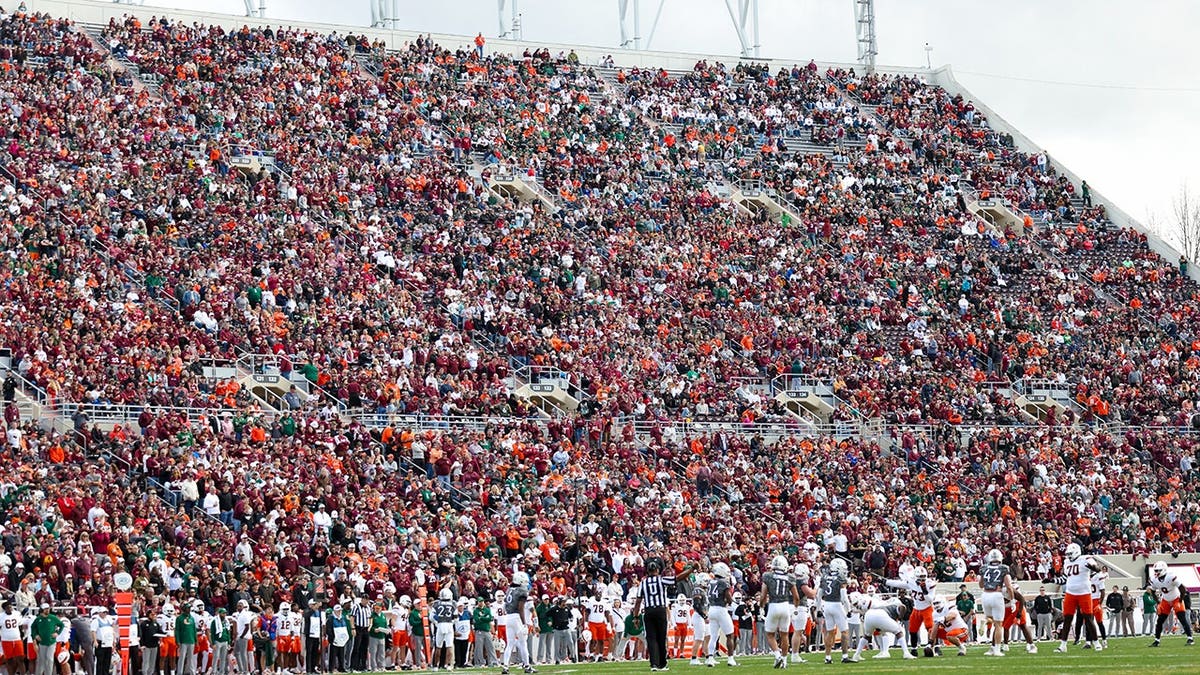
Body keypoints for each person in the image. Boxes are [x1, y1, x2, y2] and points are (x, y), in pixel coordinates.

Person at [631, 558, 689, 672]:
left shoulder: (643, 583)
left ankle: (654, 664)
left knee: (651, 638)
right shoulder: (661, 580)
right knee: (661, 638)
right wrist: (691, 570)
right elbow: (677, 579)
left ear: (647, 571)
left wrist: (636, 617)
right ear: (657, 570)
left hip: (648, 611)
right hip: (660, 610)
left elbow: (638, 601)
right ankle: (662, 664)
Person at [1055, 542, 1102, 653]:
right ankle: (1063, 645)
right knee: (1067, 619)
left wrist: (1093, 568)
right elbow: (1065, 578)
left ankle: (1096, 642)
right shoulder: (1066, 562)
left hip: (1084, 593)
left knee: (1089, 619)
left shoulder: (1085, 558)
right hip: (1070, 593)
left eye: (1070, 553)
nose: (1069, 556)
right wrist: (1053, 580)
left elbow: (1097, 568)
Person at [759, 555, 799, 669]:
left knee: (770, 634)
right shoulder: (790, 577)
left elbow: (763, 595)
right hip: (785, 606)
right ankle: (785, 661)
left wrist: (761, 607)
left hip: (773, 606)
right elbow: (796, 597)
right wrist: (795, 609)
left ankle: (777, 655)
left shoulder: (767, 576)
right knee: (784, 635)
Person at [885, 566, 936, 657]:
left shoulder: (929, 584)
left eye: (923, 578)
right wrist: (886, 582)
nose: (922, 580)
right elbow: (899, 584)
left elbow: (930, 600)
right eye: (920, 578)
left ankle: (933, 647)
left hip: (927, 608)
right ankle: (914, 649)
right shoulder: (912, 582)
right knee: (912, 630)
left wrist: (924, 591)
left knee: (931, 628)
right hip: (916, 609)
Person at [848, 594, 912, 661]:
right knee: (898, 632)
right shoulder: (895, 602)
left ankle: (857, 655)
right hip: (880, 614)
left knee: (867, 636)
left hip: (869, 615)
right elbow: (903, 607)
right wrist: (901, 618)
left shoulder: (870, 600)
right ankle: (905, 653)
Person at [977, 549, 1015, 657]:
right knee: (999, 625)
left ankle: (985, 621)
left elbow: (980, 585)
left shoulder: (984, 568)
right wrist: (1012, 601)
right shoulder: (1004, 568)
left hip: (985, 595)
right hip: (996, 595)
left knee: (991, 619)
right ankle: (997, 650)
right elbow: (1009, 587)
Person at [1148, 561, 1195, 647]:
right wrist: (1158, 603)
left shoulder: (1171, 576)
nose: (1156, 572)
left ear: (1164, 569)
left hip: (1176, 598)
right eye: (1155, 570)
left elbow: (1182, 588)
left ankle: (1190, 638)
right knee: (1160, 621)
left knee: (1182, 619)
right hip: (1165, 600)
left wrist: (1180, 600)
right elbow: (1152, 591)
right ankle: (1157, 640)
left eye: (1158, 570)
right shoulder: (1154, 579)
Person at [704, 562, 738, 667]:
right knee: (730, 635)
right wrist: (732, 603)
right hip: (721, 609)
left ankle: (710, 658)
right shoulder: (723, 582)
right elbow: (728, 596)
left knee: (713, 636)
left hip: (712, 609)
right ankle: (730, 659)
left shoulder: (711, 581)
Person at [500, 571, 534, 675]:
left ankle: (505, 666)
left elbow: (506, 604)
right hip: (516, 618)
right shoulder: (522, 590)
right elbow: (520, 608)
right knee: (523, 643)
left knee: (509, 644)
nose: (525, 584)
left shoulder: (510, 589)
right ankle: (527, 666)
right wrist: (524, 623)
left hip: (508, 617)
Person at [819, 559, 851, 665]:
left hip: (826, 605)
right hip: (837, 605)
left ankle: (827, 657)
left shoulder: (824, 577)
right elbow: (844, 597)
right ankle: (845, 656)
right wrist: (849, 609)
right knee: (844, 631)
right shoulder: (840, 578)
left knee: (829, 632)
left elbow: (819, 595)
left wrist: (818, 608)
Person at [33, 605, 64, 675]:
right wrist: (35, 635)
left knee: (49, 659)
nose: (47, 610)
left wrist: (57, 633)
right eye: (45, 609)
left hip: (51, 642)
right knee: (41, 660)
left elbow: (61, 625)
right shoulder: (38, 619)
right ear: (42, 610)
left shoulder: (53, 617)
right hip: (42, 642)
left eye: (48, 608)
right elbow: (33, 628)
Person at [431, 587, 456, 670]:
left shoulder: (436, 604)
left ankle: (435, 666)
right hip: (449, 625)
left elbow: (432, 617)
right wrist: (451, 623)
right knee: (449, 646)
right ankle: (449, 665)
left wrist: (437, 623)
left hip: (440, 625)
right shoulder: (453, 604)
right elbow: (456, 617)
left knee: (438, 646)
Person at [2, 601, 29, 675]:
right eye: (8, 607)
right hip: (6, 640)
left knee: (21, 659)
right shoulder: (1, 616)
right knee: (9, 660)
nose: (10, 608)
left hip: (17, 639)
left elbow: (20, 624)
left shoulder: (16, 614)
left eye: (11, 607)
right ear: (5, 609)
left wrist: (22, 634)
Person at [472, 596, 498, 668]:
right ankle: (479, 662)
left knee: (490, 646)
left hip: (487, 629)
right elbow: (477, 619)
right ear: (478, 602)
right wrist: (485, 618)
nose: (481, 603)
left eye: (482, 601)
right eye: (480, 601)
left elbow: (490, 618)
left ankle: (493, 662)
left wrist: (482, 618)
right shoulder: (475, 611)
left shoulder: (487, 609)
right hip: (479, 630)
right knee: (479, 647)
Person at [174, 603, 197, 675]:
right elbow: (177, 630)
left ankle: (191, 672)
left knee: (191, 658)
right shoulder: (179, 618)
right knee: (182, 658)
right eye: (188, 608)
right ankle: (179, 672)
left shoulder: (192, 618)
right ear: (184, 609)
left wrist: (196, 640)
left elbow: (194, 630)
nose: (189, 610)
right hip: (183, 641)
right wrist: (177, 640)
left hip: (191, 640)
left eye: (190, 608)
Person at [302, 601, 325, 674]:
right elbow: (306, 616)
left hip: (316, 634)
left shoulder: (318, 612)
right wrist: (313, 609)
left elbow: (321, 622)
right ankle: (308, 669)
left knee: (315, 652)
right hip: (309, 634)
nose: (316, 606)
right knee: (309, 652)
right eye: (314, 605)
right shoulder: (307, 611)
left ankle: (313, 668)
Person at [92, 608, 116, 675]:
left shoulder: (108, 620)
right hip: (101, 643)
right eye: (103, 612)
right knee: (100, 662)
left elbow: (112, 631)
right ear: (99, 613)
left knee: (107, 662)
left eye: (106, 612)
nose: (105, 614)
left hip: (108, 643)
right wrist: (95, 641)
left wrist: (113, 641)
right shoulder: (96, 621)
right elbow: (93, 631)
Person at [210, 610, 231, 675]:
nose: (224, 615)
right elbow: (212, 633)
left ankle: (221, 672)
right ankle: (214, 671)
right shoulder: (214, 621)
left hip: (225, 641)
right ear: (219, 614)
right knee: (216, 657)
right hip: (217, 641)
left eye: (225, 613)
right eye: (223, 613)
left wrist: (229, 642)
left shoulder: (226, 621)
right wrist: (213, 643)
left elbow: (228, 632)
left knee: (223, 658)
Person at [452, 600, 471, 669]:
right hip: (458, 635)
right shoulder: (455, 614)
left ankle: (463, 662)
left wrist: (469, 632)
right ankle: (457, 663)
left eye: (462, 606)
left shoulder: (467, 613)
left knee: (464, 649)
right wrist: (454, 632)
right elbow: (452, 624)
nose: (461, 607)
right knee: (457, 650)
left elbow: (470, 623)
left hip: (465, 634)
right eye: (459, 606)